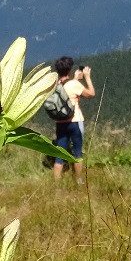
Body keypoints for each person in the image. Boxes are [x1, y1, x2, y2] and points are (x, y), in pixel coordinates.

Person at [52, 56, 93, 185]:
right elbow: (91, 93)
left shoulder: (55, 86)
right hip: (75, 122)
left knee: (59, 154)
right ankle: (79, 181)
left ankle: (57, 184)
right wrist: (86, 77)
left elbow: (66, 89)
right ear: (69, 70)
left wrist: (75, 78)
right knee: (77, 152)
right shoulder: (74, 84)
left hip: (60, 123)